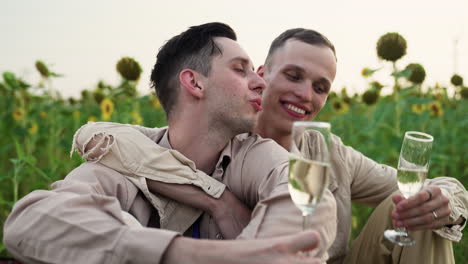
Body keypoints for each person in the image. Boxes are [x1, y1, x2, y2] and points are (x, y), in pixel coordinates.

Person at [70, 28, 468, 264]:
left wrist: (445, 199)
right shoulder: (222, 136)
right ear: (261, 75)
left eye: (319, 86)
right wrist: (218, 198)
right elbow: (112, 137)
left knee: (419, 213)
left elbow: (414, 184)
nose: (304, 94)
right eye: (293, 76)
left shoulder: (329, 152)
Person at [3, 23, 338, 264]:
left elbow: (311, 203)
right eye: (240, 70)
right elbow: (30, 224)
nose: (260, 82)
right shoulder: (125, 158)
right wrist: (187, 254)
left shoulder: (253, 153)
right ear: (194, 82)